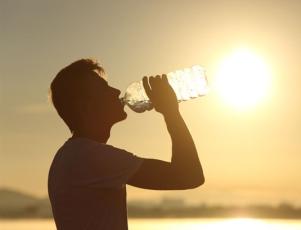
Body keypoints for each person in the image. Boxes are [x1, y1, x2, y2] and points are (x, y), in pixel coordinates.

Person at [48, 59, 205, 230]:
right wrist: (171, 112)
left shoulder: (73, 155)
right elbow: (189, 176)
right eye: (104, 89)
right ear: (86, 107)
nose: (116, 91)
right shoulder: (87, 157)